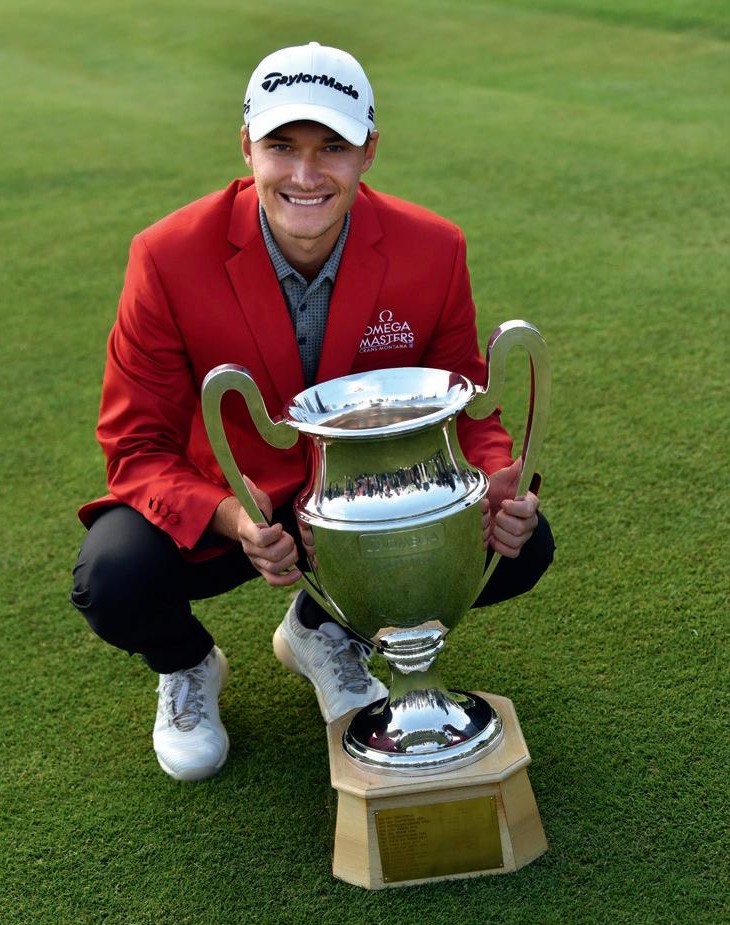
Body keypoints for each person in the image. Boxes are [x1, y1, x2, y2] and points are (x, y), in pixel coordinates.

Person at [71, 42, 555, 782]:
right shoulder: (166, 256)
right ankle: (188, 663)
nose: (305, 174)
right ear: (247, 146)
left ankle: (323, 629)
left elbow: (465, 403)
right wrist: (229, 517)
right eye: (282, 146)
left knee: (521, 546)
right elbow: (134, 443)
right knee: (114, 577)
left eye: (332, 147)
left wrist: (495, 479)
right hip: (237, 505)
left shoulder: (433, 248)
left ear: (368, 152)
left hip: (364, 506)